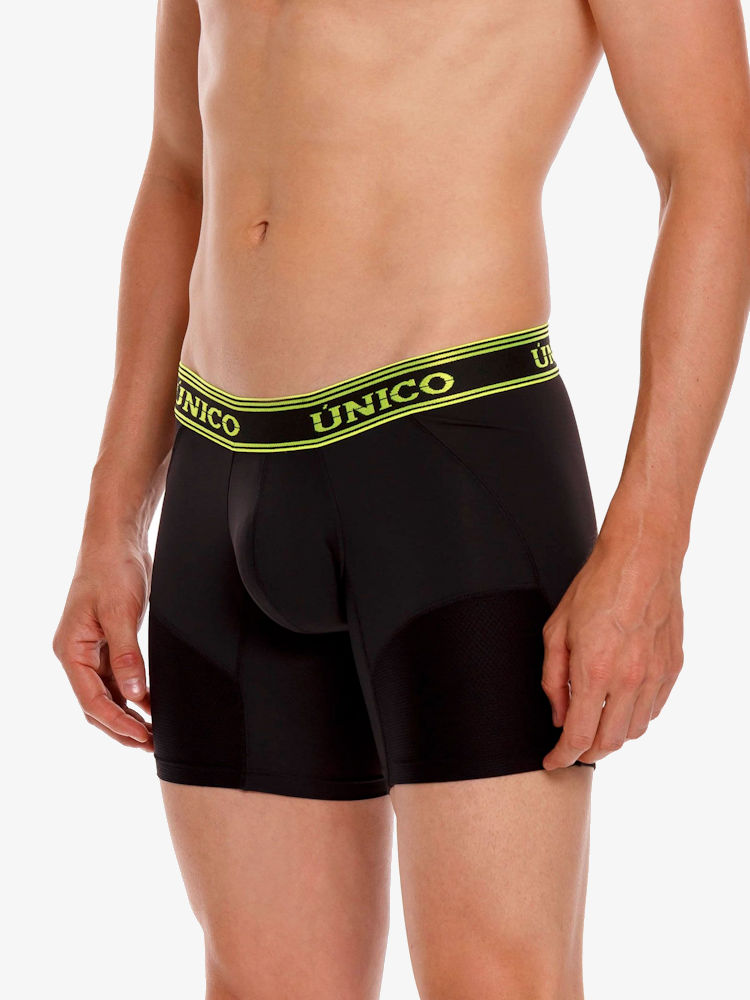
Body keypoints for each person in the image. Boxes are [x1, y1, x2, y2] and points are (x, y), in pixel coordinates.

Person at [53, 1, 750, 997]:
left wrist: (651, 543)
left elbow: (712, 160)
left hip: (451, 466)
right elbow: (180, 168)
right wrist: (113, 517)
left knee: (497, 981)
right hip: (219, 466)